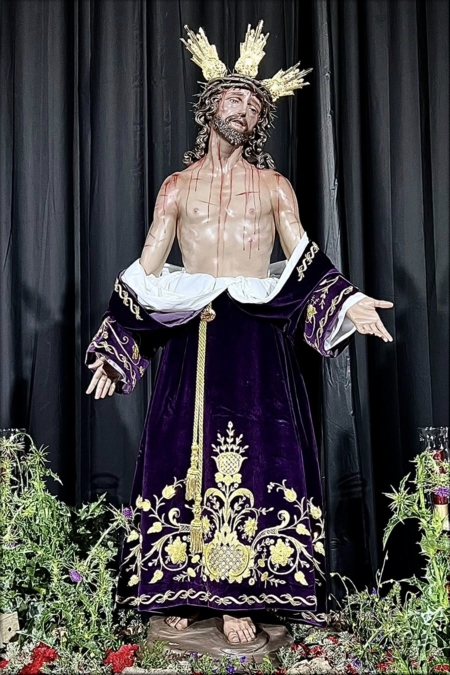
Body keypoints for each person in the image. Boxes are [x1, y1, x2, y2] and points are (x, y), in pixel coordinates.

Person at [86, 22, 393, 645]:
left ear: (259, 122)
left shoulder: (274, 187)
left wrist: (350, 300)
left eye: (254, 105)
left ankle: (239, 597)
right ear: (210, 107)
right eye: (235, 98)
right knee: (179, 452)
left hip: (255, 340)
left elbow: (304, 258)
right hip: (191, 335)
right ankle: (178, 585)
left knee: (257, 457)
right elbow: (147, 272)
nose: (245, 110)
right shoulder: (176, 188)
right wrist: (118, 344)